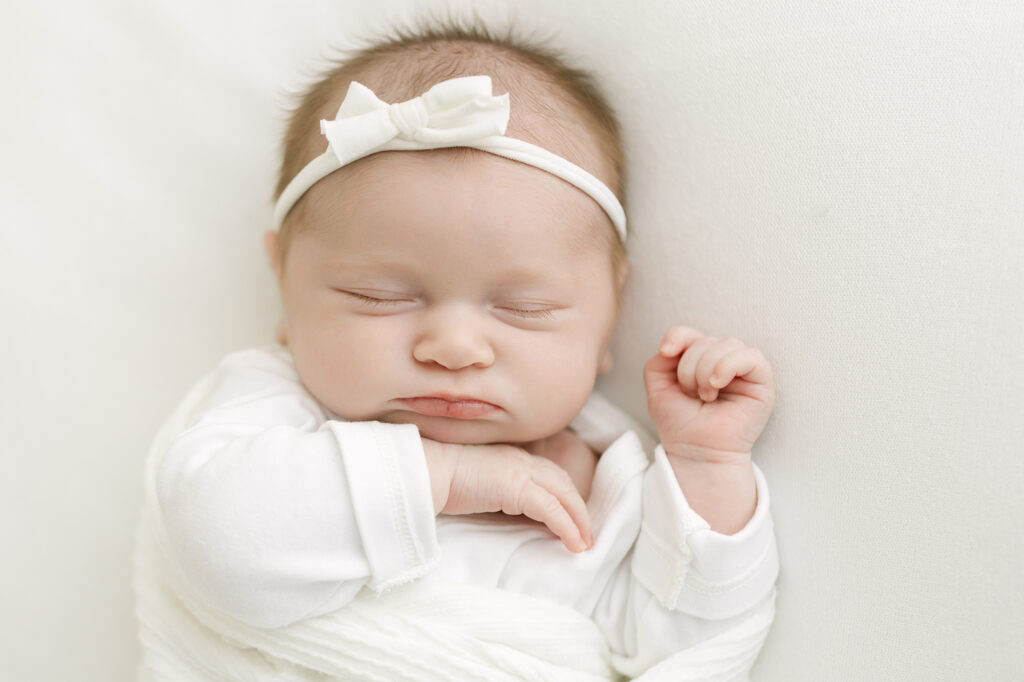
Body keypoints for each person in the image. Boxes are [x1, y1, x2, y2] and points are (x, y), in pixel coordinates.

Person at [133, 20, 779, 682]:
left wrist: (706, 467)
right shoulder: (270, 413)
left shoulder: (608, 483)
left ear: (609, 317)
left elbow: (686, 651)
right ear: (285, 285)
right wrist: (449, 479)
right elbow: (213, 540)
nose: (453, 347)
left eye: (525, 310)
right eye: (377, 295)